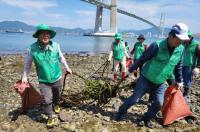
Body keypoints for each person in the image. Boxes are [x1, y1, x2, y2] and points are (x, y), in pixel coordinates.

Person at [115, 23, 189, 128]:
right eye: (179, 38)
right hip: (146, 78)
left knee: (159, 103)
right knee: (135, 99)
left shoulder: (180, 49)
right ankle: (121, 112)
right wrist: (130, 70)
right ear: (171, 36)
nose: (180, 42)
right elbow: (142, 59)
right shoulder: (156, 45)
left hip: (160, 81)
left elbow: (178, 66)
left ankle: (146, 118)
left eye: (182, 40)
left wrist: (179, 81)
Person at [22, 24, 72, 127]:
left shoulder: (56, 46)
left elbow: (61, 57)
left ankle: (56, 104)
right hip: (43, 80)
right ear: (38, 35)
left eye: (47, 33)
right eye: (42, 33)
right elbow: (27, 64)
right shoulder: (32, 49)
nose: (45, 35)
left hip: (57, 77)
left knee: (57, 95)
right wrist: (24, 77)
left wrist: (67, 68)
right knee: (47, 99)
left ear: (50, 35)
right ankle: (50, 117)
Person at [182, 30, 200, 101]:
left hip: (189, 66)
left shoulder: (196, 44)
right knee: (179, 80)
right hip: (181, 65)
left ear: (190, 37)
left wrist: (198, 67)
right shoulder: (182, 43)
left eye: (187, 37)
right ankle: (180, 94)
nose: (186, 39)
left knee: (187, 81)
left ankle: (185, 95)